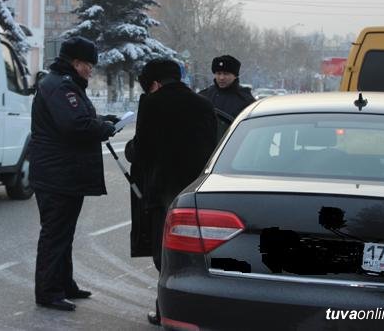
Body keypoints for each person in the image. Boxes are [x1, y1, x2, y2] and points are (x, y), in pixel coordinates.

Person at [125, 58, 218, 326]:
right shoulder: (203, 104)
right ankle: (199, 308)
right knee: (195, 254)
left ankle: (165, 309)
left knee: (165, 254)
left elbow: (142, 151)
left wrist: (130, 150)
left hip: (162, 190)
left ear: (155, 83)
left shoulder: (152, 104)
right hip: (195, 190)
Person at [29, 37, 117, 312]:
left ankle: (64, 284)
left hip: (62, 173)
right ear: (76, 62)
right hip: (57, 175)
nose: (90, 70)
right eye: (88, 65)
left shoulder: (64, 84)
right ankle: (48, 292)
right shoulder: (61, 86)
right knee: (55, 235)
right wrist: (103, 129)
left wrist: (103, 121)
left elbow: (78, 118)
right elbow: (75, 125)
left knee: (63, 234)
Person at [199, 54, 255, 119]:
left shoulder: (245, 99)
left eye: (226, 74)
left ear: (235, 76)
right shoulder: (205, 96)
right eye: (218, 73)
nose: (221, 78)